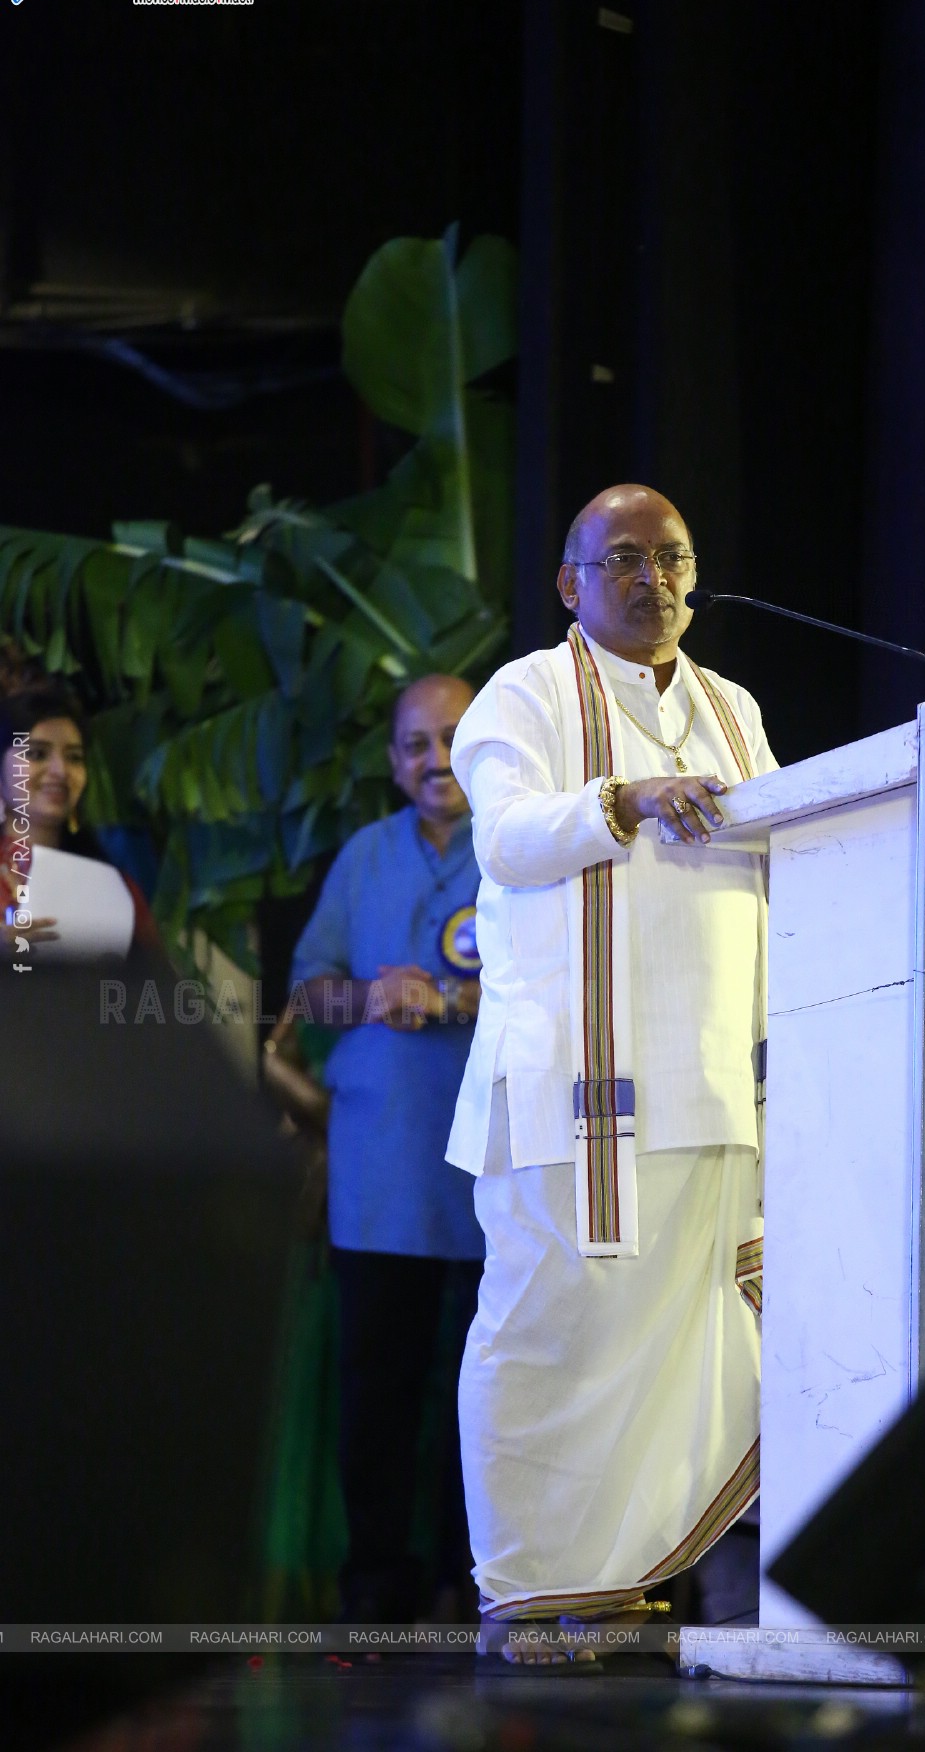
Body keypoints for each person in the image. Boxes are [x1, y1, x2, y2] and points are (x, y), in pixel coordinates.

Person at [446, 483, 777, 1660]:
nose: (654, 578)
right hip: (566, 1096)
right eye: (624, 557)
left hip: (710, 1091)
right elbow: (507, 839)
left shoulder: (734, 709)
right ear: (569, 584)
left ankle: (616, 1582)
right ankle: (527, 1592)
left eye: (673, 556)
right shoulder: (524, 694)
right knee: (547, 1333)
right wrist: (625, 800)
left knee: (681, 1341)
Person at [290, 673, 485, 1622]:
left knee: (486, 1407)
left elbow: (562, 987)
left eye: (453, 736)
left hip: (495, 1179)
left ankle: (474, 1584)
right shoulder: (365, 856)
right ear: (394, 761)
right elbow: (307, 990)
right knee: (377, 1403)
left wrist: (446, 1001)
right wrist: (370, 999)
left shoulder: (522, 848)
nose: (436, 758)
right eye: (416, 743)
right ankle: (376, 1593)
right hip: (378, 1182)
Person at [1, 675, 161, 962]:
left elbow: (155, 989)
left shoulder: (111, 885)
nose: (60, 771)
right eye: (37, 754)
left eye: (74, 758)